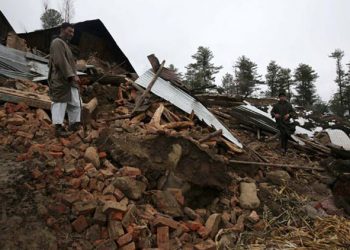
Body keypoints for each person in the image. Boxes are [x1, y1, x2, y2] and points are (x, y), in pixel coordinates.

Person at [48, 22, 81, 137]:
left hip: (70, 81)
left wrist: (73, 76)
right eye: (69, 31)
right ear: (62, 30)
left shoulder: (66, 45)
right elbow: (60, 61)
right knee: (59, 102)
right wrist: (71, 75)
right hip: (61, 80)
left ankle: (74, 125)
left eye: (73, 32)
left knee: (75, 103)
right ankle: (58, 128)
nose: (71, 34)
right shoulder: (57, 42)